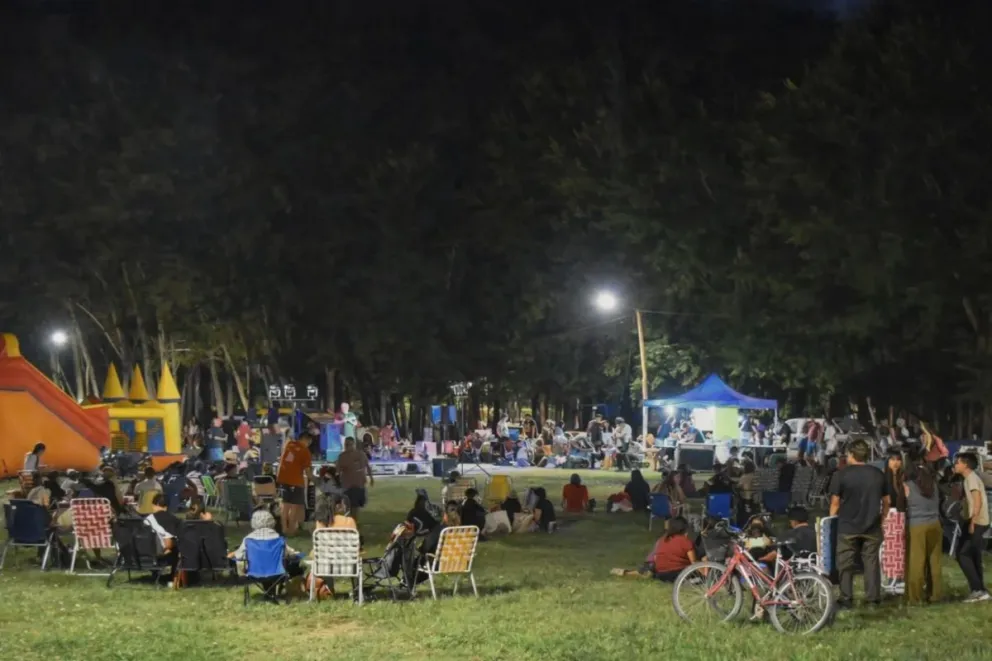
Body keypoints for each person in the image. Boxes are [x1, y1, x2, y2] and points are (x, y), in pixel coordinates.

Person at [829, 439, 889, 608]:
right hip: (872, 524)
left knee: (845, 563)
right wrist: (883, 519)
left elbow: (835, 503)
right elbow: (886, 501)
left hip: (848, 526)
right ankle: (872, 599)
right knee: (871, 563)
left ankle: (846, 598)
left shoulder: (841, 474)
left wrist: (831, 520)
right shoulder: (878, 474)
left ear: (851, 454)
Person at [903, 452, 942, 604]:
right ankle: (936, 595)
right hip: (935, 524)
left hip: (917, 526)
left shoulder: (908, 485)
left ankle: (915, 597)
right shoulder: (933, 484)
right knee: (935, 562)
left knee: (916, 563)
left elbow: (901, 505)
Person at [953, 452, 990, 602]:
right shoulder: (969, 479)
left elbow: (977, 501)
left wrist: (973, 522)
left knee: (962, 554)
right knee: (973, 555)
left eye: (957, 463)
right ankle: (981, 589)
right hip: (977, 520)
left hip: (978, 521)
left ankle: (977, 589)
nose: (955, 465)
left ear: (965, 465)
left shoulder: (971, 479)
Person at [275, 432, 312, 536]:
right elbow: (308, 471)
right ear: (306, 439)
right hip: (295, 481)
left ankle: (284, 529)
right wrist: (314, 479)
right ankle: (291, 529)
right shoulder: (305, 451)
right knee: (294, 506)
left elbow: (288, 461)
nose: (309, 444)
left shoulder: (289, 446)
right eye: (309, 442)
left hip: (283, 479)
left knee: (285, 504)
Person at [647, 516, 698, 581]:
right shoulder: (685, 541)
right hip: (677, 573)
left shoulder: (663, 540)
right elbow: (694, 563)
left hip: (660, 574)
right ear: (685, 528)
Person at [336, 437, 374, 521]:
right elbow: (337, 471)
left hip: (358, 484)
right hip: (348, 486)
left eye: (349, 444)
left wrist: (371, 478)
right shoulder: (342, 457)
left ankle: (352, 523)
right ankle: (351, 523)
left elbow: (367, 467)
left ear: (354, 445)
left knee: (355, 507)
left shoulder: (361, 454)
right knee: (351, 507)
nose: (347, 446)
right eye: (346, 445)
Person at [885, 448, 907, 513]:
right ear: (888, 461)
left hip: (902, 511)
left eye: (898, 460)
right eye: (892, 459)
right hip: (888, 512)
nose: (895, 462)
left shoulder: (904, 477)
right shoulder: (882, 477)